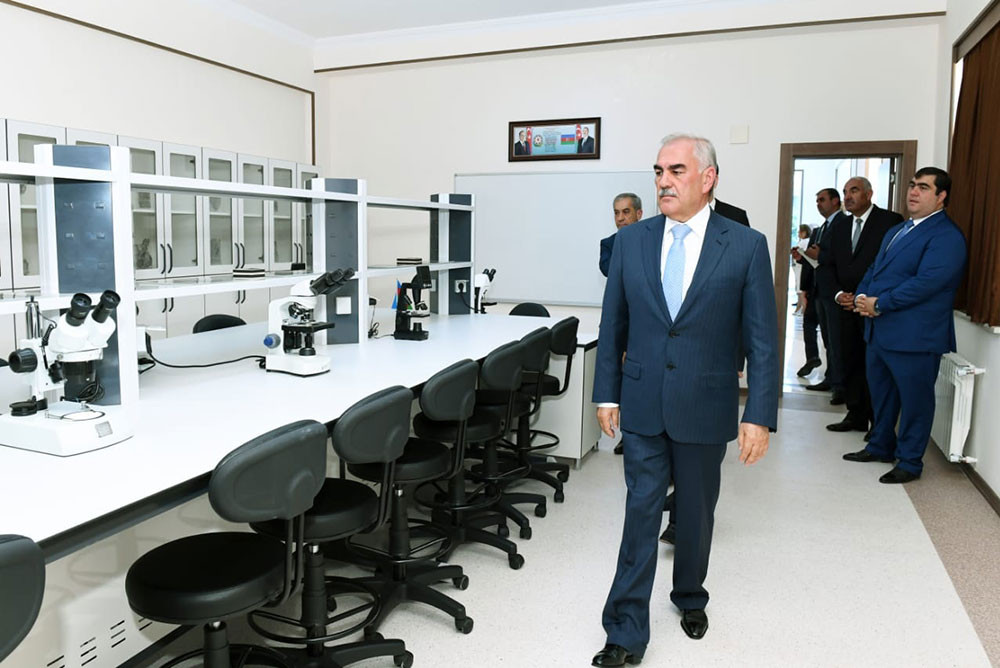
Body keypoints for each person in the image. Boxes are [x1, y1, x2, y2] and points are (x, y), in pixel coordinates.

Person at [591, 133, 778, 667]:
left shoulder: (745, 245)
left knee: (695, 514)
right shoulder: (631, 242)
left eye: (676, 170)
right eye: (658, 171)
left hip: (705, 402)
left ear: (707, 178)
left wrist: (758, 415)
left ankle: (690, 594)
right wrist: (606, 393)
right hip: (643, 401)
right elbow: (614, 323)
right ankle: (625, 631)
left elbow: (762, 338)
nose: (664, 182)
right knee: (640, 514)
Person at [844, 168, 967, 483]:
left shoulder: (947, 236)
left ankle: (910, 462)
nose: (913, 191)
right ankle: (880, 445)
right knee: (882, 395)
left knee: (915, 402)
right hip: (880, 332)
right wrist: (862, 296)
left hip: (915, 336)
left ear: (941, 197)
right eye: (912, 185)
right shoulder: (898, 230)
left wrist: (880, 303)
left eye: (924, 187)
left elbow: (928, 283)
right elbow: (875, 268)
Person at [824, 177, 902, 437]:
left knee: (876, 367)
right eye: (845, 192)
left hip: (874, 309)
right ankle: (855, 414)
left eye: (854, 191)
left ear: (869, 194)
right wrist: (838, 295)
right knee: (849, 361)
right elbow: (826, 265)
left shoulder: (890, 221)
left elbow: (895, 266)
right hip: (845, 308)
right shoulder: (840, 226)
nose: (847, 196)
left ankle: (877, 423)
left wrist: (866, 297)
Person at [804, 189, 850, 401]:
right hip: (820, 290)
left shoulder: (844, 224)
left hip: (835, 290)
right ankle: (831, 378)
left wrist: (820, 255)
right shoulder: (822, 227)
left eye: (822, 200)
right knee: (828, 339)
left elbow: (843, 256)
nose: (818, 204)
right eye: (817, 201)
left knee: (837, 340)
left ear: (835, 201)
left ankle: (840, 386)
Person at [599, 193, 643, 278]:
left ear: (639, 214)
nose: (620, 218)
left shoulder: (651, 239)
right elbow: (608, 270)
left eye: (626, 212)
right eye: (616, 213)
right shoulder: (608, 243)